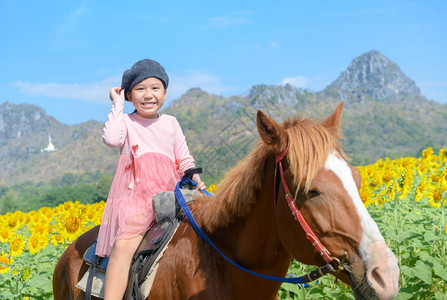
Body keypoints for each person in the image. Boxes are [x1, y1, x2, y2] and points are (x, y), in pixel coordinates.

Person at [95, 58, 205, 299]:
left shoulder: (170, 123)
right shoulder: (125, 122)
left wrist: (195, 177)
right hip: (137, 203)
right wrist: (117, 104)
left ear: (165, 94)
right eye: (140, 89)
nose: (148, 95)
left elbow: (184, 159)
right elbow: (112, 139)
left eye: (155, 88)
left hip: (171, 197)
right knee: (123, 250)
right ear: (129, 95)